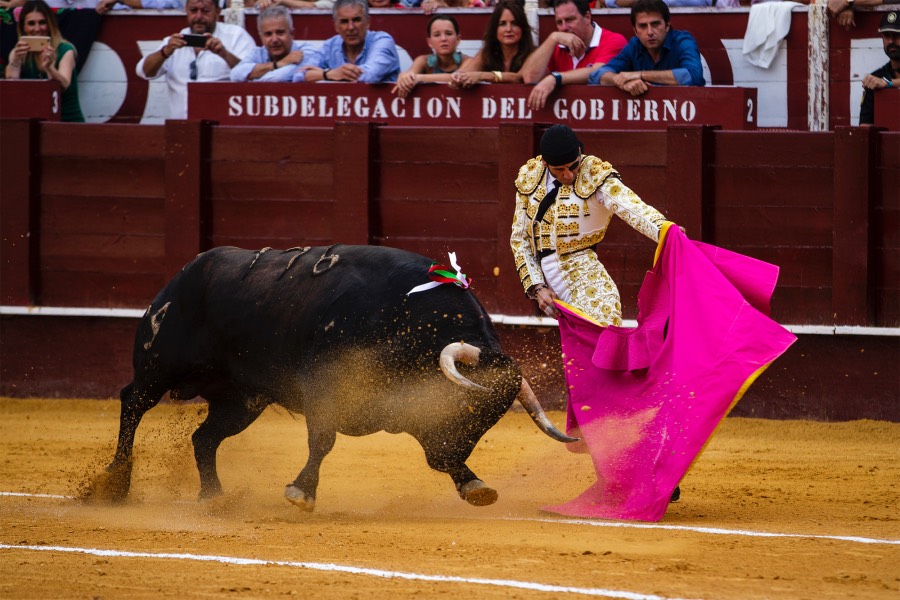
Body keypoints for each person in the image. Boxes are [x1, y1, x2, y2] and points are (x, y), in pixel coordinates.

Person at [510, 124, 668, 326]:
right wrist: (537, 287)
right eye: (559, 170)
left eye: (573, 166)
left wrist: (663, 229)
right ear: (544, 162)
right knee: (579, 348)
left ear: (579, 154)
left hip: (584, 273)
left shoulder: (594, 174)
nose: (568, 175)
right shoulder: (529, 177)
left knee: (604, 328)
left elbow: (631, 207)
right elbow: (520, 239)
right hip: (545, 279)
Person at [135, 0, 255, 120]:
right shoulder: (173, 42)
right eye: (193, 10)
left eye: (205, 11)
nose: (198, 17)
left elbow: (253, 75)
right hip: (182, 127)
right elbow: (143, 72)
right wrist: (165, 52)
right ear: (186, 10)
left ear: (218, 12)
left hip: (222, 127)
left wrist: (224, 54)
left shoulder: (236, 36)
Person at [520, 0, 628, 110]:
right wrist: (552, 38)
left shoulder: (613, 40)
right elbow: (530, 78)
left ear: (587, 17)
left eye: (569, 20)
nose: (563, 28)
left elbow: (597, 72)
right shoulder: (556, 45)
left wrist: (555, 78)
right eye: (559, 22)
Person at [588, 0, 705, 97]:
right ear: (635, 31)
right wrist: (621, 81)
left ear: (667, 25)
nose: (650, 32)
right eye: (643, 26)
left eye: (655, 24)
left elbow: (693, 76)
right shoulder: (634, 45)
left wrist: (641, 75)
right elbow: (598, 74)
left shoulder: (683, 41)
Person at [4, 0, 85, 122]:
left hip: (67, 121)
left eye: (42, 22)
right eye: (31, 23)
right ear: (23, 27)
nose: (37, 29)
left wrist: (50, 68)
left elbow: (64, 85)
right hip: (35, 121)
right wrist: (15, 61)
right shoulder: (18, 52)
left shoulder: (65, 50)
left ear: (50, 24)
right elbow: (12, 83)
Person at [295, 0, 400, 83]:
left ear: (368, 22)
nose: (350, 27)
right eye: (344, 21)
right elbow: (298, 76)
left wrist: (327, 74)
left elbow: (369, 76)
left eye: (356, 20)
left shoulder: (382, 41)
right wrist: (329, 74)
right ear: (336, 26)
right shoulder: (331, 45)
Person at [449, 0, 535, 88]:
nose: (508, 29)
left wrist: (483, 76)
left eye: (514, 23)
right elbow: (467, 72)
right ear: (495, 29)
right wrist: (458, 76)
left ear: (523, 28)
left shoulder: (533, 53)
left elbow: (519, 78)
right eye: (502, 24)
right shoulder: (488, 52)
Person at [230, 5, 320, 82]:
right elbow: (235, 74)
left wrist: (254, 77)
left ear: (292, 33)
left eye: (280, 32)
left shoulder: (306, 51)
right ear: (261, 37)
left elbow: (279, 78)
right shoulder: (257, 52)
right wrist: (278, 64)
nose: (274, 39)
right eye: (268, 34)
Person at [391, 14, 469, 98]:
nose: (443, 39)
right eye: (437, 35)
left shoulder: (468, 61)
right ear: (429, 42)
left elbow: (457, 78)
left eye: (449, 33)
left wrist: (419, 78)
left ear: (458, 39)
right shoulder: (423, 60)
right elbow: (410, 75)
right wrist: (404, 77)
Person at [860, 10, 900, 124]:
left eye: (897, 35)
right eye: (887, 36)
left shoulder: (880, 80)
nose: (891, 41)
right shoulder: (875, 79)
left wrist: (888, 83)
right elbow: (865, 128)